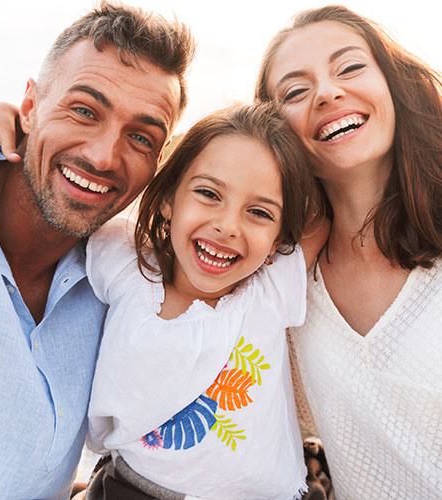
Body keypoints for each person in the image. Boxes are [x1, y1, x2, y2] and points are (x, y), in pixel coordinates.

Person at [0, 2, 194, 499]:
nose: (103, 156)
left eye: (140, 137)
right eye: (83, 110)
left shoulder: (129, 277)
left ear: (159, 163)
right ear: (29, 108)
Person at [77, 102, 324, 499]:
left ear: (279, 240)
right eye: (208, 193)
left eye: (259, 212)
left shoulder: (269, 290)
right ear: (167, 198)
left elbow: (337, 199)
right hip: (128, 488)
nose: (227, 226)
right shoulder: (123, 260)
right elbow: (59, 203)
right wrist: (16, 123)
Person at [254, 5, 442, 499]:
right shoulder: (286, 284)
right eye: (296, 91)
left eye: (351, 67)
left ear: (392, 84)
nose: (328, 93)